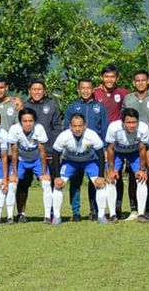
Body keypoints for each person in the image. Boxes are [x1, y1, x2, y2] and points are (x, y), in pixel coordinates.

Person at [63, 79, 108, 221]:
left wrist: (105, 148)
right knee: (75, 183)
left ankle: (94, 210)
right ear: (78, 89)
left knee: (95, 182)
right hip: (75, 153)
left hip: (94, 152)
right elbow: (66, 128)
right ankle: (76, 212)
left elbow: (105, 128)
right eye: (83, 88)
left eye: (88, 88)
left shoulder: (99, 107)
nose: (86, 91)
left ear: (93, 89)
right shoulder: (72, 107)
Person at [51, 113, 107, 224]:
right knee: (58, 185)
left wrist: (101, 176)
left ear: (85, 126)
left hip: (89, 161)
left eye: (80, 126)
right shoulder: (64, 136)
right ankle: (56, 217)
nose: (77, 129)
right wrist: (57, 177)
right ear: (70, 126)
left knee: (100, 184)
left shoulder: (92, 135)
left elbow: (101, 155)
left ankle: (101, 215)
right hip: (70, 162)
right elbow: (55, 155)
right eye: (75, 126)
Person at [104, 108, 149, 223]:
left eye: (134, 122)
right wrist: (110, 169)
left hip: (135, 153)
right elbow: (110, 148)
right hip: (118, 153)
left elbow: (143, 148)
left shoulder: (144, 128)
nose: (131, 125)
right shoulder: (113, 127)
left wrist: (142, 169)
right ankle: (113, 214)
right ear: (122, 122)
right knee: (111, 179)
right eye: (128, 122)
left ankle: (140, 213)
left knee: (142, 179)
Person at [121, 70, 149, 220]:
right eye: (138, 80)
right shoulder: (128, 98)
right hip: (132, 144)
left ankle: (148, 208)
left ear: (148, 81)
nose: (140, 82)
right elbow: (123, 118)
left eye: (143, 80)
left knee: (148, 175)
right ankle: (134, 209)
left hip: (148, 144)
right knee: (133, 177)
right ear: (133, 82)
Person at [9, 108, 52, 223]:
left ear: (35, 121)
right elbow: (14, 152)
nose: (28, 124)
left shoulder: (39, 128)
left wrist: (43, 173)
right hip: (21, 161)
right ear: (20, 122)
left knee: (46, 183)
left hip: (36, 160)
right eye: (25, 121)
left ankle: (47, 216)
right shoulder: (14, 129)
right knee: (13, 184)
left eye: (31, 121)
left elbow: (42, 152)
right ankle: (13, 216)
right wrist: (14, 173)